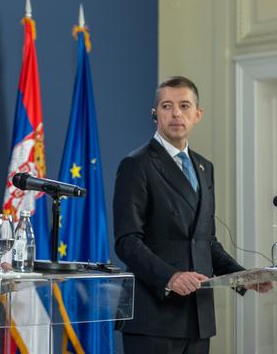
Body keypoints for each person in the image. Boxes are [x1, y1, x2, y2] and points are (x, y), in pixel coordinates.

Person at [113, 76, 271, 354]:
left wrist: (243, 276)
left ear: (198, 115)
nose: (176, 113)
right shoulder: (136, 164)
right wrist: (171, 277)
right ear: (155, 114)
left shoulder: (204, 167)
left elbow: (205, 242)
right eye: (167, 106)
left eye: (184, 106)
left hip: (198, 316)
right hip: (153, 317)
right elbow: (127, 241)